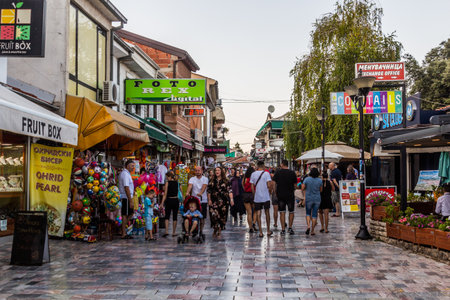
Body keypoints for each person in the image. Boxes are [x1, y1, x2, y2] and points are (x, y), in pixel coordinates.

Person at [207, 167, 234, 237]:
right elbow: (209, 191)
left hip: (224, 201)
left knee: (222, 216)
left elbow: (230, 190)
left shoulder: (226, 181)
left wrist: (231, 199)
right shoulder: (212, 180)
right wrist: (209, 200)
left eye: (218, 170)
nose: (217, 171)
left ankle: (219, 229)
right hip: (214, 201)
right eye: (216, 170)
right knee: (214, 215)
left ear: (221, 171)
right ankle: (215, 228)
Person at [273, 160, 298, 235]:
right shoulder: (292, 173)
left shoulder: (278, 173)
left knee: (282, 212)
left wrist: (275, 192)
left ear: (282, 164)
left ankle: (283, 229)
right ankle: (290, 228)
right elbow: (295, 185)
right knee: (291, 211)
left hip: (280, 195)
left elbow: (274, 184)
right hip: (290, 195)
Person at [250, 161, 273, 238]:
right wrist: (269, 192)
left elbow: (252, 186)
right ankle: (268, 230)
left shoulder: (253, 174)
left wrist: (254, 195)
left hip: (257, 197)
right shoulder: (266, 174)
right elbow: (269, 185)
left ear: (257, 166)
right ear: (263, 166)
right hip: (266, 196)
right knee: (267, 213)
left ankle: (260, 232)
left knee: (258, 214)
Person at [186, 166, 208, 233]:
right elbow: (190, 186)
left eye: (199, 170)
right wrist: (187, 192)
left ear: (201, 171)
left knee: (202, 217)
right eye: (196, 171)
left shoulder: (205, 179)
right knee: (193, 215)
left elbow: (204, 186)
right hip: (194, 201)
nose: (197, 172)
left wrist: (201, 193)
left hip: (203, 200)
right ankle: (192, 229)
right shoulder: (192, 179)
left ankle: (201, 230)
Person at [302, 167, 322, 236]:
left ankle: (308, 226)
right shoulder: (320, 180)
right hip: (317, 199)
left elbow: (302, 188)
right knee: (314, 214)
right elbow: (321, 190)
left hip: (309, 198)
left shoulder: (307, 179)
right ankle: (312, 230)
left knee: (308, 213)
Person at [118, 159, 135, 239]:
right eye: (132, 166)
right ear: (127, 165)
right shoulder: (125, 174)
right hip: (126, 197)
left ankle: (122, 229)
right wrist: (130, 200)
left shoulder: (127, 174)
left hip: (127, 197)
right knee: (125, 214)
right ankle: (123, 232)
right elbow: (126, 187)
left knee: (130, 213)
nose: (133, 168)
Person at [161, 171, 181, 237]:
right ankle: (174, 232)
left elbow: (165, 194)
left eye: (167, 177)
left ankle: (166, 231)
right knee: (175, 216)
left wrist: (162, 203)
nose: (167, 179)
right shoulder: (177, 183)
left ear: (169, 177)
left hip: (169, 200)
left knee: (167, 216)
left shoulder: (167, 183)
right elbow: (180, 192)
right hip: (176, 200)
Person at [242, 166, 257, 233]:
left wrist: (245, 189)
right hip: (253, 194)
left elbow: (243, 185)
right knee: (255, 211)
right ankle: (254, 223)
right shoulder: (253, 178)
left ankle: (250, 227)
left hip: (246, 194)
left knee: (249, 213)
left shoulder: (245, 178)